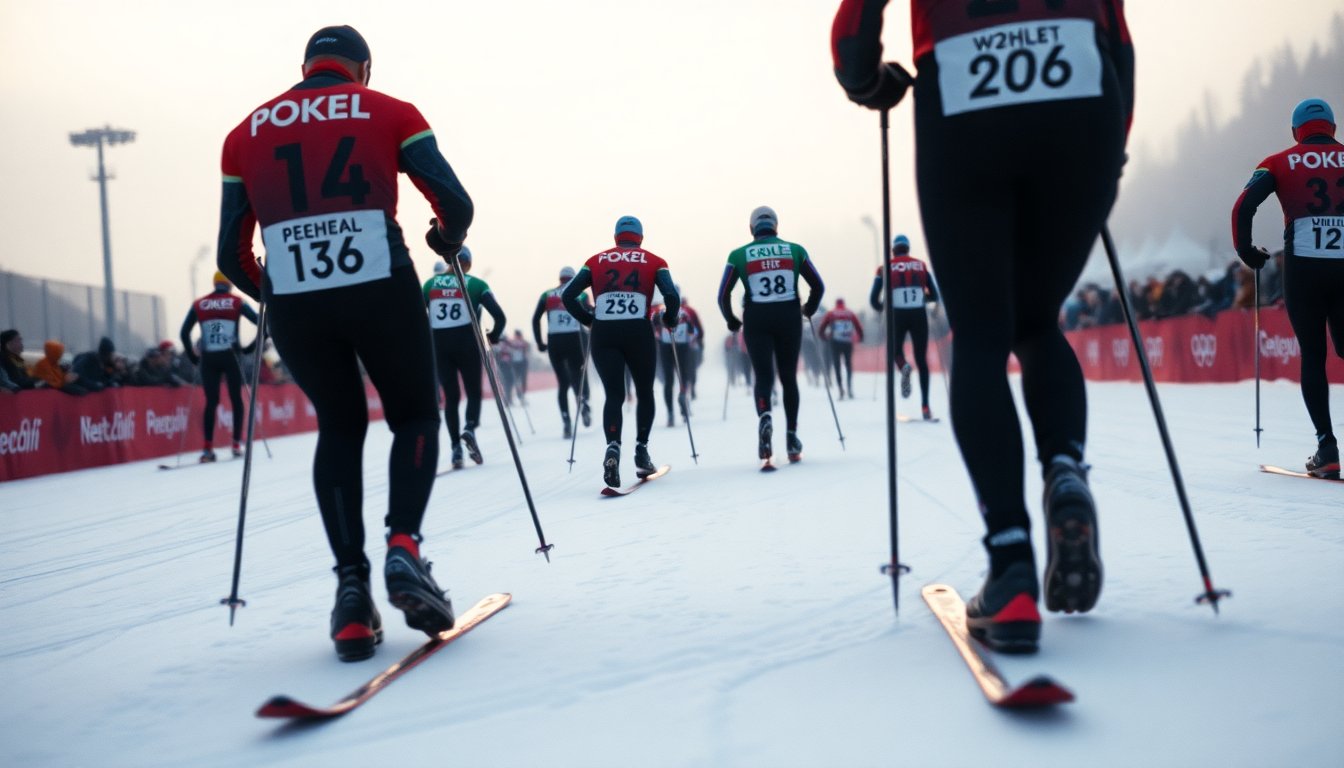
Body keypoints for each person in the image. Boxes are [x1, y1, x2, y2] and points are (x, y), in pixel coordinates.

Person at [833, 0, 1133, 652]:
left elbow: (852, 38)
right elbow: (1120, 40)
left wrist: (869, 82)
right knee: (1037, 321)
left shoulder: (889, 266)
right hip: (1084, 103)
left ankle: (1012, 565)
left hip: (965, 104)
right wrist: (1110, 145)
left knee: (981, 335)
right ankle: (1064, 468)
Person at [215, 25, 473, 661]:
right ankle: (404, 547)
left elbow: (229, 253)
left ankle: (351, 598)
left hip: (296, 299)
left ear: (305, 66)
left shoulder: (244, 133)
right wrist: (445, 239)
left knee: (339, 425)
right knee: (415, 413)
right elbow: (454, 202)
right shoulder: (391, 111)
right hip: (381, 282)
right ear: (363, 69)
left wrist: (276, 290)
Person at [1231, 98, 1343, 480]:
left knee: (1313, 355)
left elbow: (1242, 207)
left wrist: (1247, 252)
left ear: (1297, 131)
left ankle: (1327, 448)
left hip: (1304, 269)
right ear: (1332, 127)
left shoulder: (1278, 162)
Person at [562, 215, 680, 487]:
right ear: (641, 237)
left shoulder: (595, 261)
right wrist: (670, 318)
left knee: (614, 395)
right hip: (639, 331)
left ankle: (613, 448)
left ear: (616, 237)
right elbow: (671, 296)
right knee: (645, 392)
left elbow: (568, 295)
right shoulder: (655, 261)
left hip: (604, 332)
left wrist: (588, 319)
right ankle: (641, 451)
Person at [717, 206, 824, 463]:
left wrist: (731, 320)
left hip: (757, 317)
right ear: (776, 226)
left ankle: (765, 417)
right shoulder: (795, 250)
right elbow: (818, 286)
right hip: (789, 315)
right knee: (788, 377)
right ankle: (792, 437)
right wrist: (808, 309)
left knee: (763, 376)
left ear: (751, 228)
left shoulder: (738, 255)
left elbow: (723, 295)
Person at [422, 251, 505, 468]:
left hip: (440, 346)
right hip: (467, 344)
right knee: (473, 392)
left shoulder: (430, 284)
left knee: (451, 397)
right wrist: (494, 336)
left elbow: (416, 315)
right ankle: (469, 428)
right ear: (467, 262)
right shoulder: (476, 284)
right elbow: (500, 316)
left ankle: (455, 449)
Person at [180, 272, 259, 462]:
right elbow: (262, 323)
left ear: (214, 283)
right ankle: (236, 444)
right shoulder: (237, 302)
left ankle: (207, 449)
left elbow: (184, 333)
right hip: (231, 356)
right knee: (236, 400)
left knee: (211, 402)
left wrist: (193, 357)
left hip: (209, 359)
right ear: (230, 285)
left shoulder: (199, 304)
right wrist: (250, 348)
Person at [869, 235, 939, 418]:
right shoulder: (921, 265)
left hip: (896, 315)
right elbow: (934, 295)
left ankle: (904, 366)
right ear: (908, 249)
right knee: (922, 359)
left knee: (895, 351)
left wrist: (882, 308)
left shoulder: (884, 268)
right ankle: (925, 406)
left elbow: (873, 299)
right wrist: (923, 298)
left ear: (893, 250)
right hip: (918, 314)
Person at [531, 266, 592, 438]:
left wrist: (540, 343)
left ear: (560, 278)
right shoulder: (580, 294)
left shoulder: (547, 295)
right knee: (579, 376)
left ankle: (566, 420)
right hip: (574, 339)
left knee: (563, 383)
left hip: (555, 342)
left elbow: (536, 319)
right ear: (573, 278)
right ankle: (584, 404)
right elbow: (589, 311)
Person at [650, 284, 702, 427]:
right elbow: (695, 333)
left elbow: (652, 328)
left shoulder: (663, 312)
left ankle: (673, 411)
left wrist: (658, 335)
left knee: (671, 380)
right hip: (678, 348)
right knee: (679, 378)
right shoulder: (682, 313)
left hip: (670, 348)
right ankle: (679, 402)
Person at [818, 298, 864, 399]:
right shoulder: (850, 313)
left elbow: (822, 327)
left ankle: (840, 389)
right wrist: (861, 337)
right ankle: (849, 388)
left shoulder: (831, 313)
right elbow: (858, 326)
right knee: (848, 364)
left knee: (837, 365)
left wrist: (823, 337)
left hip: (835, 342)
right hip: (848, 341)